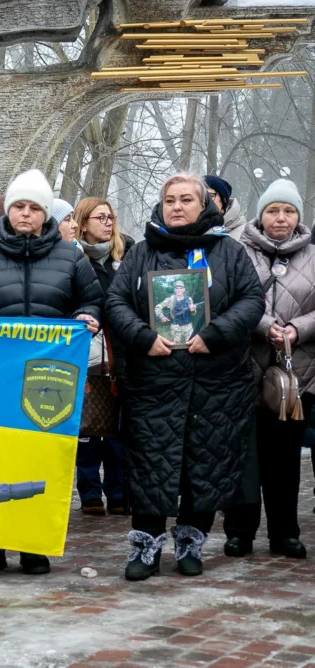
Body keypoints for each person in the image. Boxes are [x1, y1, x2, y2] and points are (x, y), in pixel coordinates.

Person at [106, 172, 264, 581]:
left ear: (204, 206)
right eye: (170, 200)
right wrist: (143, 338)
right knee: (150, 464)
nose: (177, 207)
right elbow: (116, 300)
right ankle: (146, 546)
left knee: (204, 463)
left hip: (216, 383)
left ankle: (191, 542)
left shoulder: (228, 252)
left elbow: (251, 300)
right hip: (154, 382)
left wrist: (215, 335)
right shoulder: (142, 253)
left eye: (186, 200)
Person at [0, 169, 103, 577]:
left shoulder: (71, 256)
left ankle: (33, 544)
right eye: (19, 206)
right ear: (8, 210)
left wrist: (87, 316)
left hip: (48, 379)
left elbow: (93, 299)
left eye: (34, 207)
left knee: (41, 460)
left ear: (45, 213)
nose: (25, 214)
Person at [224, 179, 313, 560]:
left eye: (289, 211)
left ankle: (285, 533)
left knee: (284, 459)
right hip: (243, 369)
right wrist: (264, 325)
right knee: (243, 458)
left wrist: (297, 328)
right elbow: (226, 299)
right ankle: (239, 532)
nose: (281, 218)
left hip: (295, 375)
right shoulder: (237, 251)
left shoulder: (312, 254)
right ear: (261, 214)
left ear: (298, 216)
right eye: (273, 210)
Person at [72, 197, 135, 515]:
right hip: (88, 354)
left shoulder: (128, 256)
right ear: (83, 223)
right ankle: (90, 492)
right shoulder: (72, 259)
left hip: (122, 353)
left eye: (111, 216)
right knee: (88, 428)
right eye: (100, 217)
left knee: (118, 431)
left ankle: (118, 490)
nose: (108, 222)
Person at [203, 174, 246, 241]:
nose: (203, 201)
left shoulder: (245, 235)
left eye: (210, 196)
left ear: (224, 200)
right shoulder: (188, 231)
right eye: (198, 196)